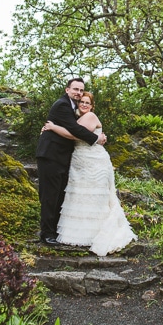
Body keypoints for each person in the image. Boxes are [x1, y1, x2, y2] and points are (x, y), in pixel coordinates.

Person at [42, 91, 136, 256]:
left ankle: (94, 234)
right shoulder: (76, 117)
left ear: (92, 106)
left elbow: (74, 135)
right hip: (80, 161)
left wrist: (52, 127)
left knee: (93, 196)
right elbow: (75, 130)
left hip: (93, 161)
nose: (84, 105)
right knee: (79, 196)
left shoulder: (90, 116)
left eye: (87, 102)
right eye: (82, 102)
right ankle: (76, 233)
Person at [36, 77, 106, 246]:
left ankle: (53, 231)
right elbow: (74, 130)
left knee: (59, 194)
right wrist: (96, 138)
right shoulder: (62, 105)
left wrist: (53, 127)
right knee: (50, 195)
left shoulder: (73, 109)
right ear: (67, 90)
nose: (78, 93)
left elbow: (71, 128)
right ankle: (46, 234)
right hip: (51, 155)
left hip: (62, 157)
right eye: (75, 89)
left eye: (81, 90)